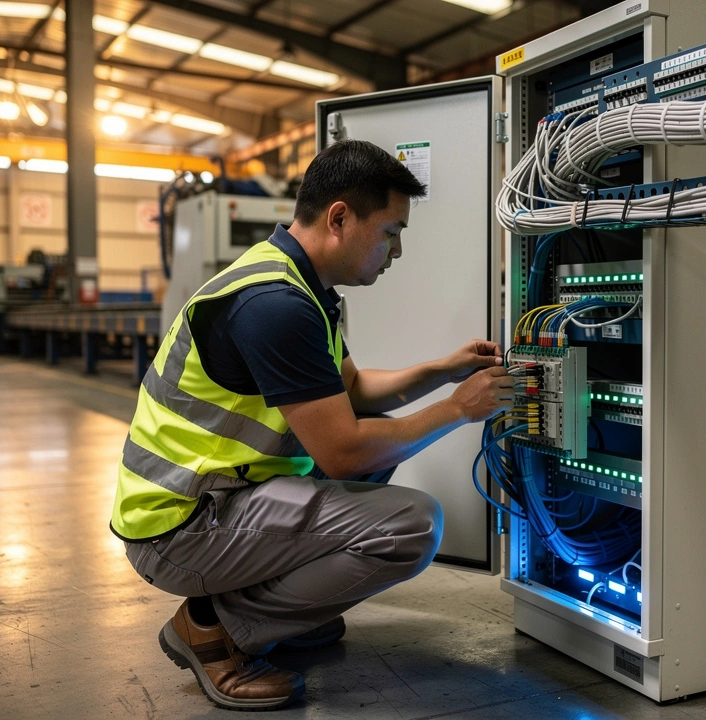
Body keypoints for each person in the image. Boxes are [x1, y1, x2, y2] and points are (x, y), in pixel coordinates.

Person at [110, 140, 513, 711]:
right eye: (391, 232)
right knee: (412, 526)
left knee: (375, 436)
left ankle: (282, 612)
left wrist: (443, 371)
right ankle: (215, 629)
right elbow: (344, 452)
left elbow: (351, 390)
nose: (397, 251)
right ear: (340, 218)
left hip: (216, 498)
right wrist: (458, 409)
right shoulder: (274, 304)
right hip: (179, 527)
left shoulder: (298, 283)